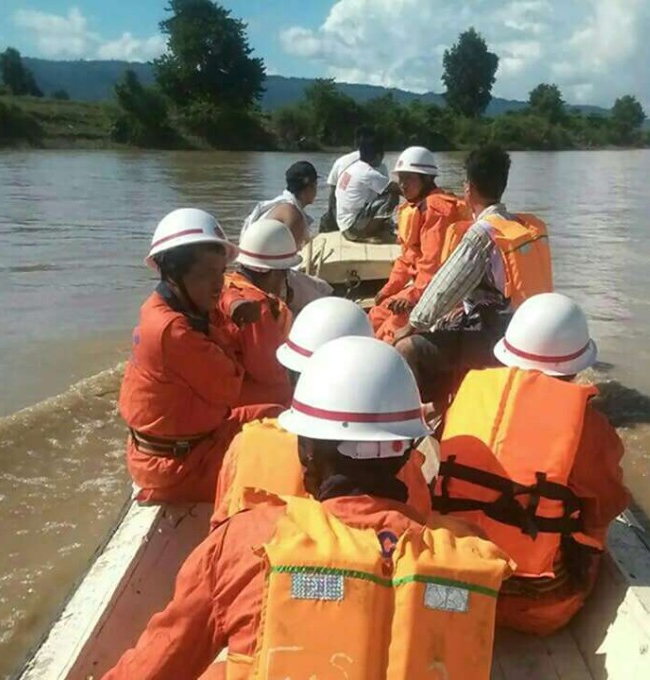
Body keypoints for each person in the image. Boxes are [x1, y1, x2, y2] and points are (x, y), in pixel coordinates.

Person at [105, 336, 513, 680]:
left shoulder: (247, 541)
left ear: (306, 453)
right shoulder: (471, 553)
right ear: (407, 451)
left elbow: (156, 665)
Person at [432, 293, 629, 637]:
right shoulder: (587, 424)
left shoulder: (466, 393)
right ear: (577, 365)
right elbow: (606, 505)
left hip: (446, 590)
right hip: (533, 608)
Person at [211, 296, 433, 527]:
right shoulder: (391, 455)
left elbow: (219, 532)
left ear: (293, 373)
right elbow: (418, 522)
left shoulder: (248, 443)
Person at [118, 208, 283, 504]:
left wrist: (231, 303)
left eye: (220, 272)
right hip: (179, 467)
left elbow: (221, 296)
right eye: (206, 274)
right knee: (284, 462)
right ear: (173, 275)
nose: (218, 283)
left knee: (277, 413)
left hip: (191, 442)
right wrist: (231, 327)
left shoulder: (165, 305)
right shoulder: (174, 332)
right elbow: (231, 385)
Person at [394, 144, 554, 406]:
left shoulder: (482, 234)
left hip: (496, 339)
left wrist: (409, 326)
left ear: (468, 187)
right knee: (452, 320)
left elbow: (442, 290)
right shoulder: (524, 227)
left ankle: (431, 413)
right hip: (530, 331)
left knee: (406, 348)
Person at [368, 146, 471, 344]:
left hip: (437, 291)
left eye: (408, 179)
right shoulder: (416, 208)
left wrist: (411, 297)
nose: (402, 185)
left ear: (426, 179)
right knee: (375, 315)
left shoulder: (436, 210)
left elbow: (433, 267)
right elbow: (408, 257)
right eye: (400, 179)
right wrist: (389, 289)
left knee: (389, 333)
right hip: (422, 287)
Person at [217, 219, 300, 408]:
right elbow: (269, 375)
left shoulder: (223, 283)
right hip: (238, 397)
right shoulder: (258, 307)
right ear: (273, 273)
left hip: (218, 385)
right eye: (284, 274)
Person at [242, 160, 333, 315]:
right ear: (310, 187)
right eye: (316, 186)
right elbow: (283, 266)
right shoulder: (294, 216)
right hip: (270, 276)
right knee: (325, 293)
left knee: (320, 286)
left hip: (255, 269)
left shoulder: (278, 204)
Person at [335, 129, 401, 243]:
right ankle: (369, 233)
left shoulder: (354, 168)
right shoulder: (367, 173)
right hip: (352, 229)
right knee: (391, 196)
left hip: (344, 224)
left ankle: (377, 228)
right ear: (378, 156)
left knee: (381, 194)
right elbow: (399, 188)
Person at [321, 126, 389, 233]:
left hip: (342, 216)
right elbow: (388, 189)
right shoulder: (377, 165)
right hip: (358, 218)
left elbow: (333, 192)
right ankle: (378, 229)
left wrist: (333, 218)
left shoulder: (342, 162)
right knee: (390, 196)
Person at [241, 160, 319, 249]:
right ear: (310, 187)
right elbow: (291, 256)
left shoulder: (281, 204)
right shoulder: (293, 214)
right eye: (316, 184)